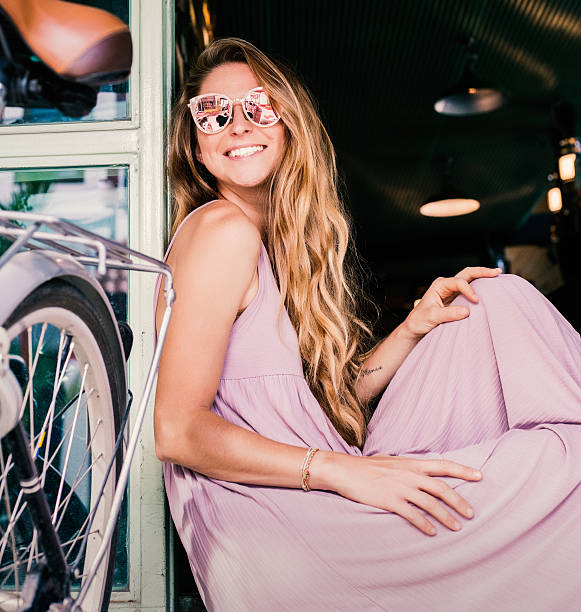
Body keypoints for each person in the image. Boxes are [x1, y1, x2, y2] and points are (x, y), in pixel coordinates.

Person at [154, 37, 581, 611]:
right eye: (213, 114)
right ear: (194, 143)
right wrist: (342, 473)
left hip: (311, 486)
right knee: (562, 469)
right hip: (285, 519)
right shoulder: (221, 230)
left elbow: (316, 403)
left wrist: (413, 328)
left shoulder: (268, 244)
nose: (237, 126)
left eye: (259, 106)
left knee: (490, 298)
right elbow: (176, 431)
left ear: (289, 123)